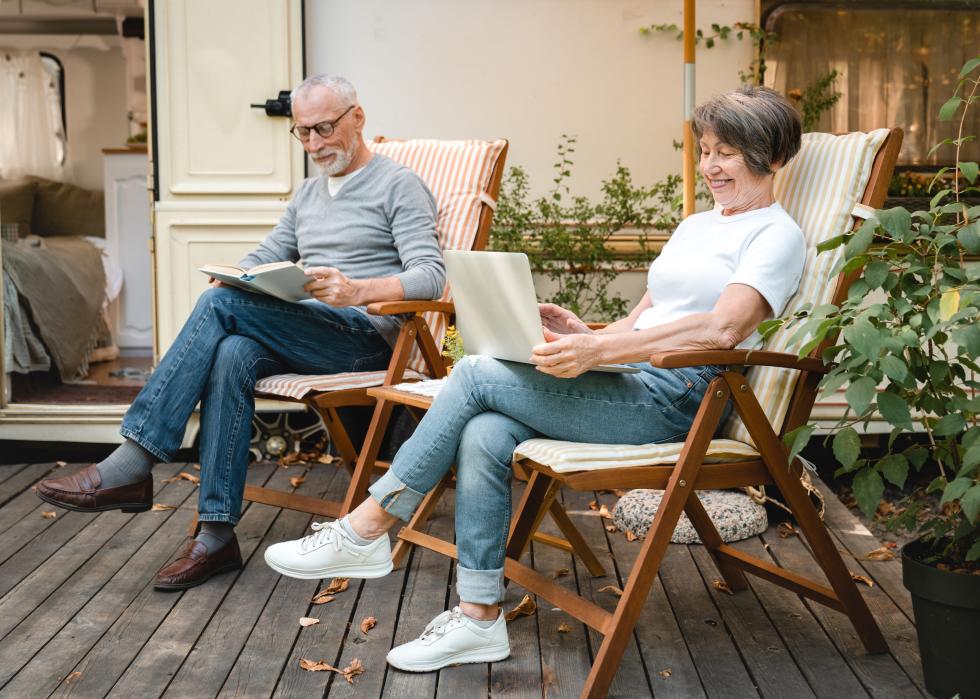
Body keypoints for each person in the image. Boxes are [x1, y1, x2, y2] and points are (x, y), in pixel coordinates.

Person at [266, 84, 807, 672]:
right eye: (705, 151)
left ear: (772, 157)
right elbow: (644, 319)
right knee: (487, 432)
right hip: (635, 378)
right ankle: (478, 617)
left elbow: (725, 329)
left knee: (473, 374)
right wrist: (584, 333)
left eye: (726, 153)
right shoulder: (698, 226)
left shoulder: (776, 235)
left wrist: (601, 351)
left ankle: (369, 525)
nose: (710, 166)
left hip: (683, 399)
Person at [35, 74, 445, 590]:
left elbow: (431, 274)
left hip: (367, 340)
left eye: (325, 129)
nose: (314, 144)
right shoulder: (308, 195)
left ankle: (134, 461)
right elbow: (270, 252)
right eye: (303, 133)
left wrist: (357, 290)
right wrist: (238, 275)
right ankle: (216, 535)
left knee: (220, 308)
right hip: (312, 334)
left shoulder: (398, 184)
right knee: (231, 349)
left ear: (357, 118)